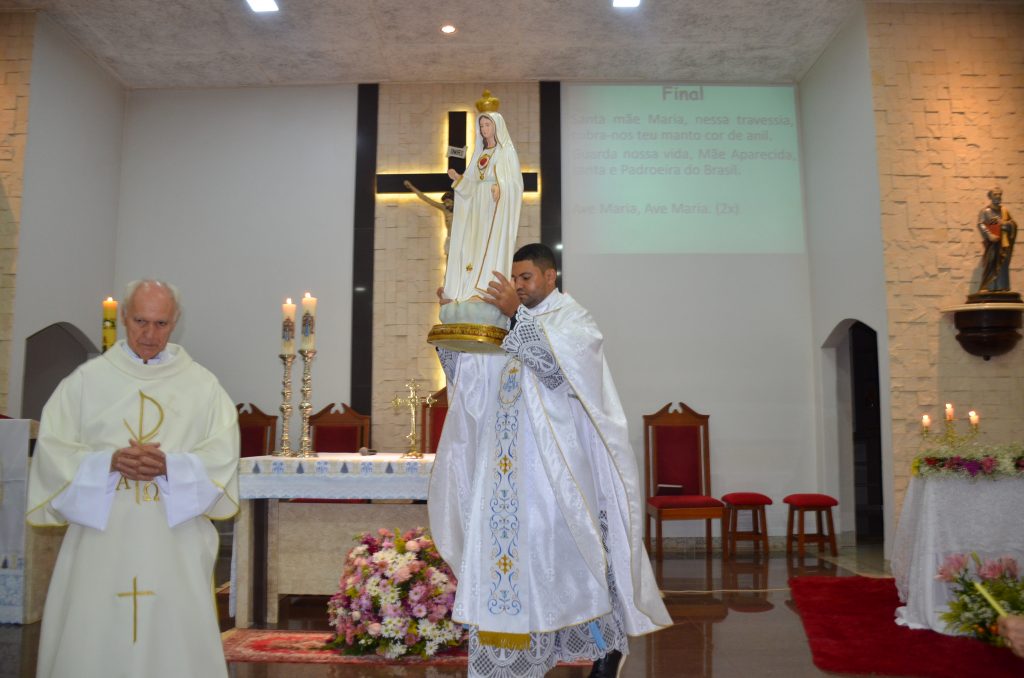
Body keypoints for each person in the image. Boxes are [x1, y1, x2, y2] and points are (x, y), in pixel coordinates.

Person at [429, 244, 671, 678]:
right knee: (520, 563)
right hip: (506, 473)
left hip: (556, 473)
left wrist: (515, 318)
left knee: (575, 562)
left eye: (526, 278)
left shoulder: (574, 320)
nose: (519, 286)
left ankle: (606, 647)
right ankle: (518, 658)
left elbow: (557, 371)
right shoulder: (507, 325)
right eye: (515, 279)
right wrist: (455, 328)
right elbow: (470, 382)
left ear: (550, 277)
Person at [27, 279, 240, 678]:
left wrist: (170, 467)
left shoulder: (203, 387)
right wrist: (107, 463)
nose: (149, 334)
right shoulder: (85, 383)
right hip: (101, 541)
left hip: (172, 541)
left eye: (161, 324)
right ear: (124, 317)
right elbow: (52, 453)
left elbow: (222, 457)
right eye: (141, 321)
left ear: (175, 322)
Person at [440, 94, 523, 326]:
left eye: (488, 125)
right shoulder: (479, 156)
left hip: (493, 211)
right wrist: (459, 179)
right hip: (477, 210)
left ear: (496, 126)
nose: (484, 128)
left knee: (489, 248)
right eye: (482, 125)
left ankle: (483, 291)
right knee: (472, 248)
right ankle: (466, 291)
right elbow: (471, 186)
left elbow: (515, 183)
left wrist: (502, 188)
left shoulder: (505, 153)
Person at [976, 186, 1017, 292]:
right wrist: (989, 235)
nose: (998, 197)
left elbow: (1012, 224)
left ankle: (1002, 287)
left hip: (1003, 243)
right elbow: (981, 224)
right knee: (991, 264)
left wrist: (1007, 224)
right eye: (995, 194)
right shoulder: (986, 211)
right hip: (992, 244)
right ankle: (988, 286)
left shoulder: (1004, 211)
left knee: (1002, 265)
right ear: (990, 196)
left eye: (1000, 194)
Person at [404, 179, 455, 254]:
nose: (447, 205)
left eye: (448, 202)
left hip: (459, 240)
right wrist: (411, 187)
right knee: (448, 262)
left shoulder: (460, 210)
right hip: (450, 239)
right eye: (445, 202)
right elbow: (426, 199)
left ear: (454, 200)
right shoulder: (444, 208)